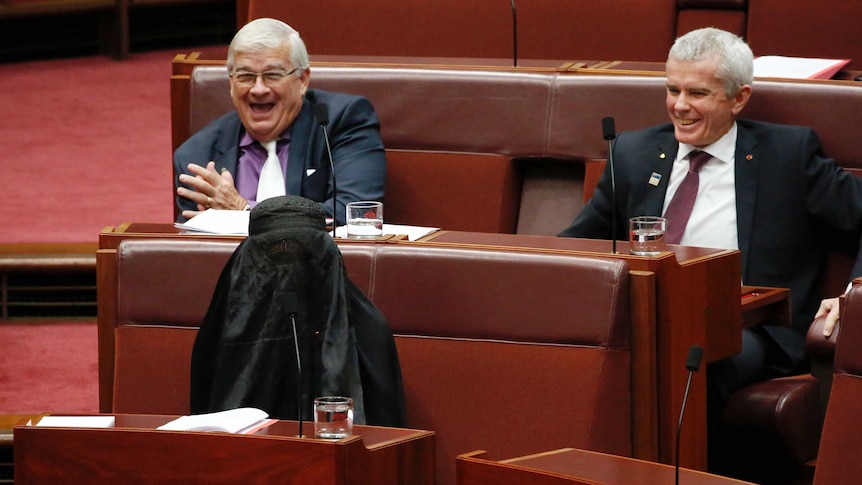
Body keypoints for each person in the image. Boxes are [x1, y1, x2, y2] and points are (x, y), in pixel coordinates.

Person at [559, 27, 862, 427]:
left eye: (698, 93)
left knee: (687, 360)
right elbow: (574, 245)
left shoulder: (788, 156)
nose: (679, 106)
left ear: (739, 98)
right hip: (645, 319)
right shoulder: (635, 153)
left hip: (748, 331)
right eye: (672, 90)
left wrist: (853, 292)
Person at [190, 195, 406, 427]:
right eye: (273, 257)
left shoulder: (369, 333)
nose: (287, 273)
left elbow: (386, 436)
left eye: (304, 255)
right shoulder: (219, 327)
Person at [173, 17, 386, 225]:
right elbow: (194, 248)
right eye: (246, 76)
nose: (258, 89)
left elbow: (355, 212)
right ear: (231, 83)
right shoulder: (198, 156)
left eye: (273, 75)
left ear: (302, 80)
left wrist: (245, 212)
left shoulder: (341, 121)